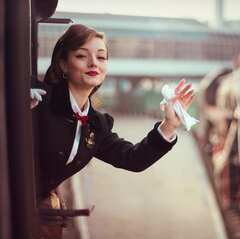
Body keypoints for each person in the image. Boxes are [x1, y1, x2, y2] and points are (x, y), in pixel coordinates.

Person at [30, 24, 195, 238]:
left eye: (101, 57)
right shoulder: (34, 97)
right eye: (82, 56)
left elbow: (133, 159)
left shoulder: (97, 124)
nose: (93, 63)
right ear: (63, 64)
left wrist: (169, 125)